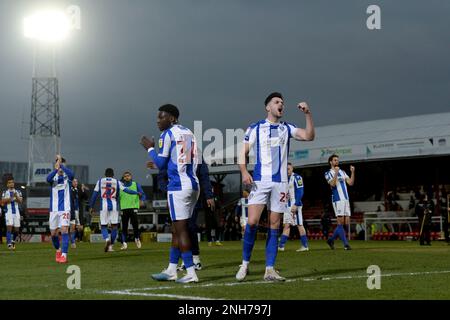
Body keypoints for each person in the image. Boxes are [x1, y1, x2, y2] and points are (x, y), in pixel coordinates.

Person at [236, 92, 315, 282]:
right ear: (268, 107)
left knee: (275, 225)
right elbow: (242, 152)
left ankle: (269, 269)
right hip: (260, 181)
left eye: (282, 102)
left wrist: (308, 114)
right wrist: (244, 172)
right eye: (277, 102)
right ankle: (245, 264)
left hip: (280, 183)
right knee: (253, 222)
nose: (281, 104)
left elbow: (309, 136)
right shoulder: (255, 128)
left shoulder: (287, 128)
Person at [140, 103, 200, 283]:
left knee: (181, 230)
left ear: (172, 118)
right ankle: (172, 269)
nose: (158, 120)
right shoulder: (189, 132)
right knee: (177, 229)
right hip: (193, 185)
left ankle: (191, 273)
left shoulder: (166, 134)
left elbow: (161, 164)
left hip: (178, 187)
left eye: (162, 116)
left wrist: (150, 148)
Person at [89, 168, 140, 253]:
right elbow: (127, 190)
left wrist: (91, 206)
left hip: (104, 205)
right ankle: (111, 246)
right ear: (113, 175)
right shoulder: (117, 182)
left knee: (103, 226)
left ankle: (106, 240)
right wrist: (136, 193)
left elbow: (94, 195)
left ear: (105, 174)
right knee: (114, 227)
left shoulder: (100, 181)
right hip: (114, 205)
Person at [46, 155, 74, 263]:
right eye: (58, 164)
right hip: (54, 210)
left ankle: (64, 255)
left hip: (65, 209)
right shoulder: (53, 178)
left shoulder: (68, 177)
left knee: (64, 230)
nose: (61, 167)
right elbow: (47, 179)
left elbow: (72, 174)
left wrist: (61, 164)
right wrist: (56, 169)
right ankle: (58, 250)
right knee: (53, 233)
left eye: (62, 165)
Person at [325, 154, 355, 250]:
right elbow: (333, 184)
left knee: (346, 223)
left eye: (337, 160)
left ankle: (331, 239)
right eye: (334, 160)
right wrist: (336, 173)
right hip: (338, 199)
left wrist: (352, 172)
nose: (337, 162)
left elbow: (350, 183)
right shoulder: (328, 173)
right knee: (340, 222)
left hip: (346, 199)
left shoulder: (342, 171)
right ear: (330, 162)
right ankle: (346, 244)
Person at [278, 163, 309, 252]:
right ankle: (281, 246)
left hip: (295, 205)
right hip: (287, 206)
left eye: (288, 169)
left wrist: (296, 204)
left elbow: (300, 191)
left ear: (292, 169)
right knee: (287, 225)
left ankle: (304, 245)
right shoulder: (283, 179)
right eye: (286, 169)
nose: (287, 170)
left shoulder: (297, 177)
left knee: (299, 224)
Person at [119, 171, 147, 250]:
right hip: (124, 208)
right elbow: (117, 197)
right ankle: (124, 243)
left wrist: (142, 200)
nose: (127, 177)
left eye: (128, 176)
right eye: (125, 176)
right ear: (123, 178)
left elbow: (143, 194)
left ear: (131, 177)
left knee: (135, 225)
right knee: (124, 227)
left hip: (134, 207)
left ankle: (137, 238)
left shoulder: (136, 184)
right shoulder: (120, 186)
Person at [1, 175, 23, 250]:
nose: (11, 184)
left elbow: (20, 201)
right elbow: (2, 202)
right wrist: (10, 198)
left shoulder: (18, 191)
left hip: (16, 212)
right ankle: (9, 243)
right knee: (9, 228)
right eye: (10, 183)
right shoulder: (5, 192)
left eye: (12, 182)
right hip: (9, 212)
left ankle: (13, 241)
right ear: (7, 184)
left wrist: (16, 196)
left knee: (17, 229)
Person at [69, 179, 88, 248]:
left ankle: (77, 238)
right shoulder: (70, 190)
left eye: (77, 181)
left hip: (78, 210)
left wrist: (83, 190)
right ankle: (73, 242)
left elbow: (86, 197)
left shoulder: (79, 189)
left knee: (80, 227)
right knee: (72, 226)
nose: (76, 183)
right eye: (74, 182)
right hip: (71, 210)